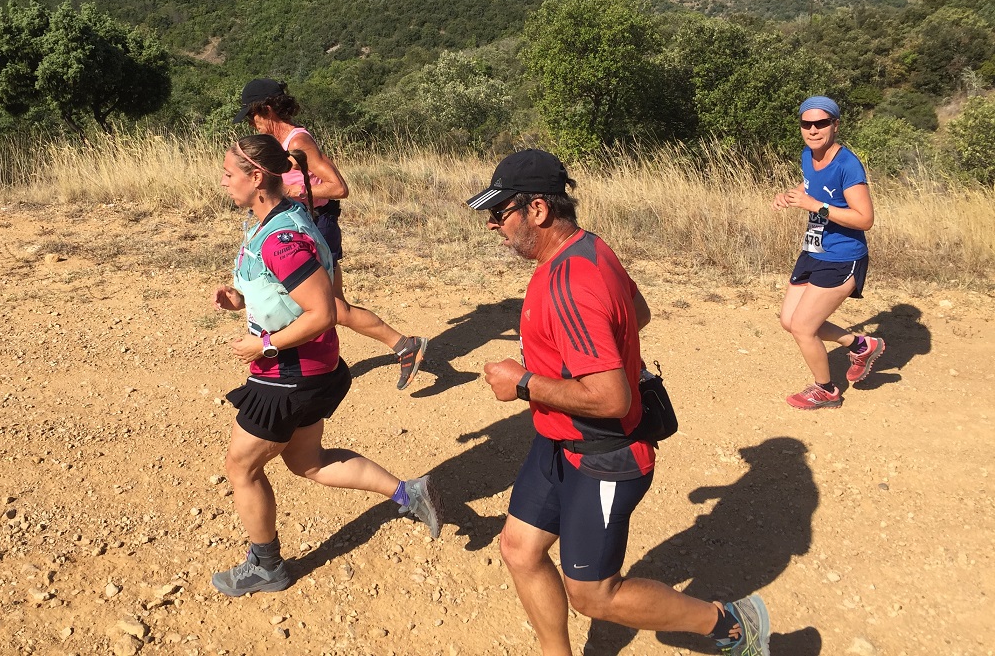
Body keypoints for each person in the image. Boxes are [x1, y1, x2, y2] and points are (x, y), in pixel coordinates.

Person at [468, 149, 770, 656]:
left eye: (501, 214)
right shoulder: (587, 250)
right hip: (558, 437)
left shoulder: (570, 281)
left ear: (538, 211)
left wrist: (524, 383)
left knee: (593, 594)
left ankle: (732, 624)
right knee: (520, 550)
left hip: (604, 452)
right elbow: (639, 312)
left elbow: (609, 399)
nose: (494, 227)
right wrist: (595, 349)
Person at [210, 134, 442, 597]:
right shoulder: (284, 218)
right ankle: (407, 493)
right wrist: (241, 299)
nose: (223, 183)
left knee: (242, 469)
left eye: (229, 174)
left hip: (287, 376)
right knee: (308, 461)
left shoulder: (281, 239)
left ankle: (267, 566)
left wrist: (265, 345)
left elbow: (323, 312)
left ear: (257, 177)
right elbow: (289, 292)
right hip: (313, 369)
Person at [233, 78, 429, 391]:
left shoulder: (299, 140)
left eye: (253, 115)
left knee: (330, 308)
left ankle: (396, 347)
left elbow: (339, 187)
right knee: (333, 306)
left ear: (266, 109)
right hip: (306, 224)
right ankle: (401, 346)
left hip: (318, 225)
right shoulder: (282, 145)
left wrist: (286, 190)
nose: (253, 122)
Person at [773, 96, 886, 410]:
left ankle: (826, 390)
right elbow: (811, 187)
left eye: (821, 123)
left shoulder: (847, 164)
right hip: (814, 249)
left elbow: (865, 218)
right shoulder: (808, 156)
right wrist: (792, 195)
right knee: (789, 320)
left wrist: (816, 206)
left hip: (842, 256)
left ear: (835, 125)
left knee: (803, 327)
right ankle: (860, 344)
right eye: (806, 124)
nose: (813, 129)